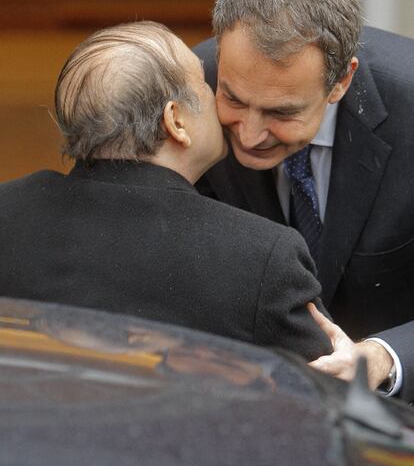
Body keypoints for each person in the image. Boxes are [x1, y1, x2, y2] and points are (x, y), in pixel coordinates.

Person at [0, 20, 332, 361]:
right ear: (175, 121)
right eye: (205, 85)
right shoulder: (263, 258)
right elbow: (328, 389)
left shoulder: (7, 215)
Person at [193, 0, 414, 401]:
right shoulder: (189, 84)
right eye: (233, 99)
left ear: (341, 81)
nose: (250, 135)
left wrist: (382, 358)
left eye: (281, 112)